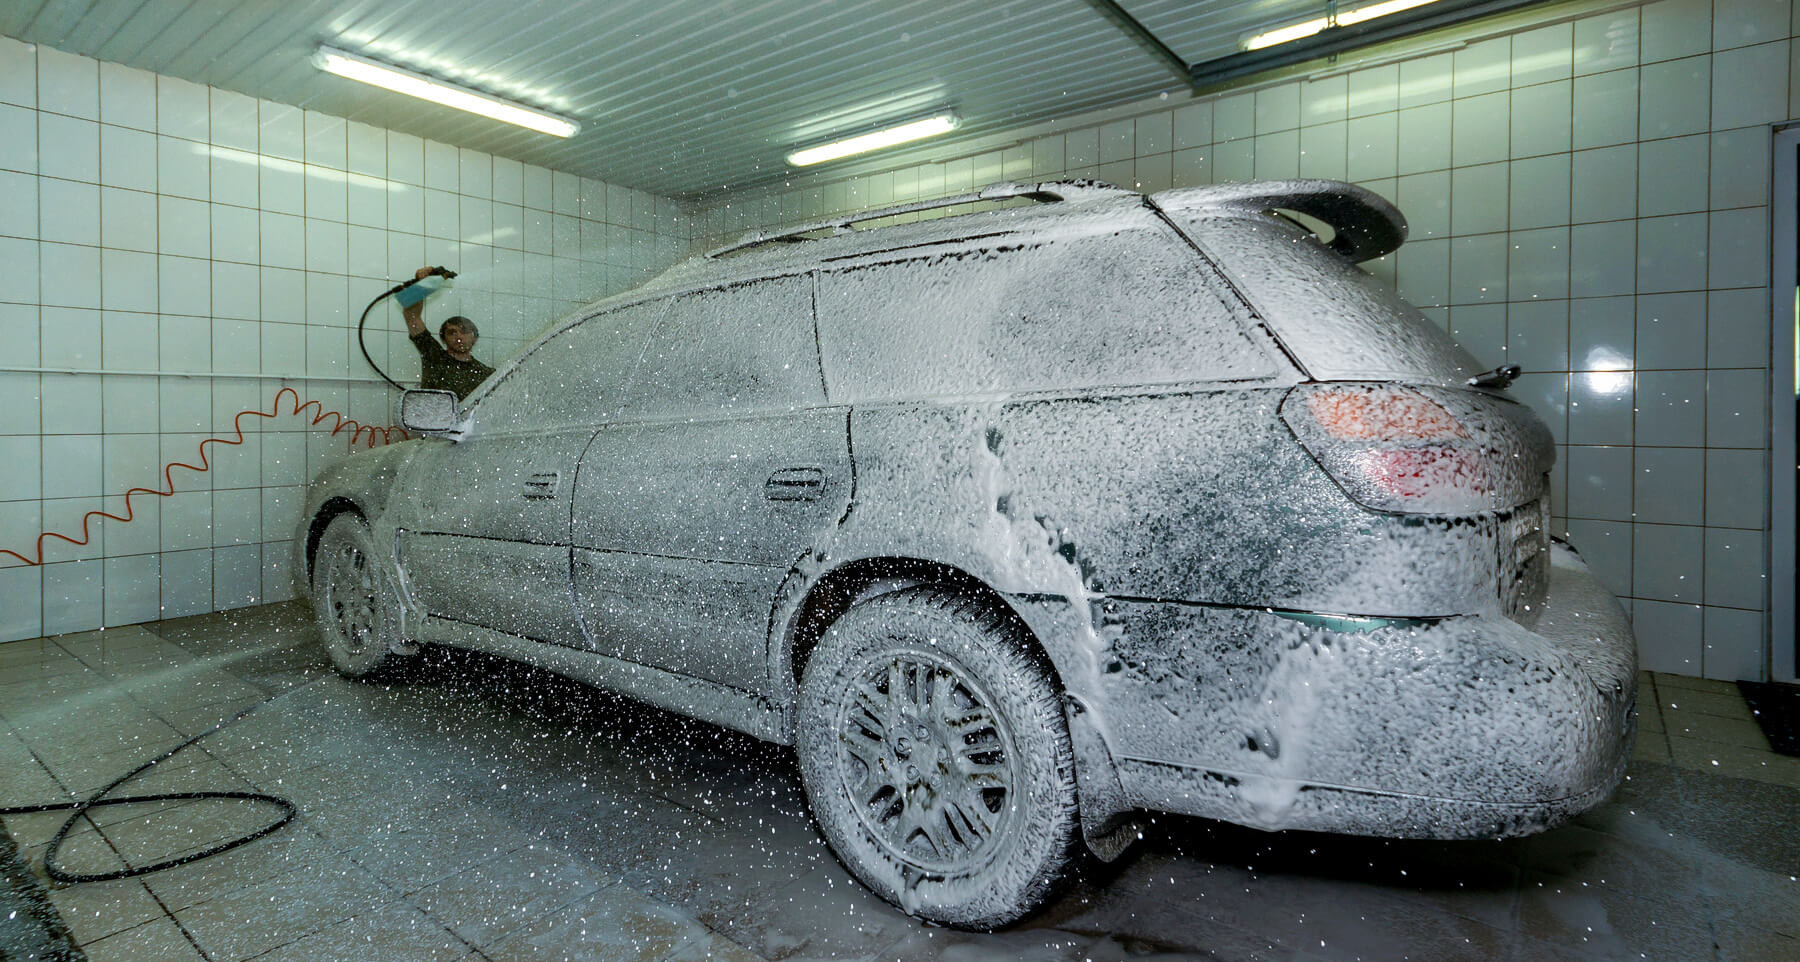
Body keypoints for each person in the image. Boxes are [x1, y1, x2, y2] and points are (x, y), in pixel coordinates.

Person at [401, 266, 494, 400]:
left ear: (474, 337)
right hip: (433, 419)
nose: (459, 336)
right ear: (443, 339)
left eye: (465, 331)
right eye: (452, 332)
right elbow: (412, 316)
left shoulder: (486, 373)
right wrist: (420, 285)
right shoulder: (434, 357)